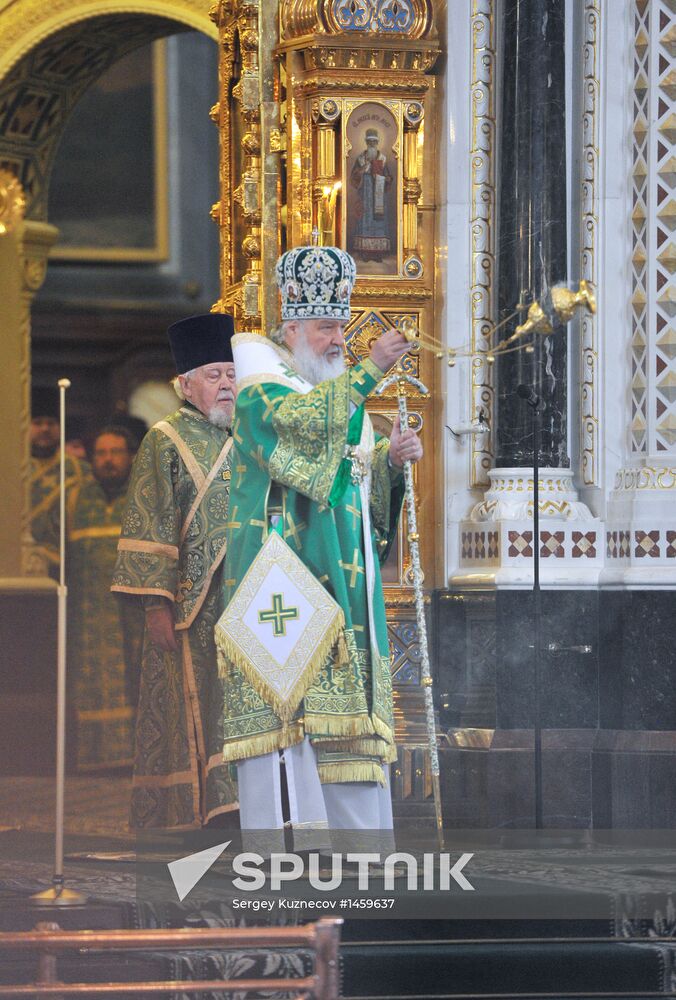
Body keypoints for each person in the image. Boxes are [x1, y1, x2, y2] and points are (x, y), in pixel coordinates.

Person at [216, 245, 423, 852]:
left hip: (341, 586)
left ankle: (359, 857)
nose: (339, 339)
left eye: (342, 326)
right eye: (327, 327)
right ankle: (292, 859)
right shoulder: (259, 390)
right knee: (290, 724)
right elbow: (298, 437)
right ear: (292, 330)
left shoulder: (340, 399)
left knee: (343, 726)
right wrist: (368, 372)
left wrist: (389, 463)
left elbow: (350, 487)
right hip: (282, 584)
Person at [111, 313, 239, 829]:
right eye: (214, 375)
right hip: (191, 607)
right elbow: (150, 521)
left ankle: (240, 804)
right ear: (185, 385)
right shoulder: (165, 439)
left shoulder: (249, 434)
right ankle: (197, 813)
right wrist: (156, 606)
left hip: (250, 601)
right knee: (197, 707)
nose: (227, 384)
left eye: (232, 374)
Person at [66, 426, 145, 771]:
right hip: (87, 616)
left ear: (130, 456)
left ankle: (138, 757)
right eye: (101, 453)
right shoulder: (74, 498)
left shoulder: (145, 496)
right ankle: (94, 758)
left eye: (115, 452)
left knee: (137, 681)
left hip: (136, 614)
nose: (108, 460)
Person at [30, 386, 91, 575]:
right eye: (38, 423)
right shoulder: (12, 469)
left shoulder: (79, 470)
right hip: (18, 563)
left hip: (66, 567)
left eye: (51, 423)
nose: (45, 429)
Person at [350, 127, 393, 261]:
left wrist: (386, 179)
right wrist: (363, 170)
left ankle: (378, 253)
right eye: (370, 142)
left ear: (377, 143)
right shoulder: (361, 158)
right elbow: (353, 176)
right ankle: (365, 252)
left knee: (378, 221)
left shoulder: (383, 158)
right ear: (366, 142)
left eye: (374, 142)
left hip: (379, 195)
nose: (372, 144)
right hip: (365, 195)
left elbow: (389, 177)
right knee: (365, 221)